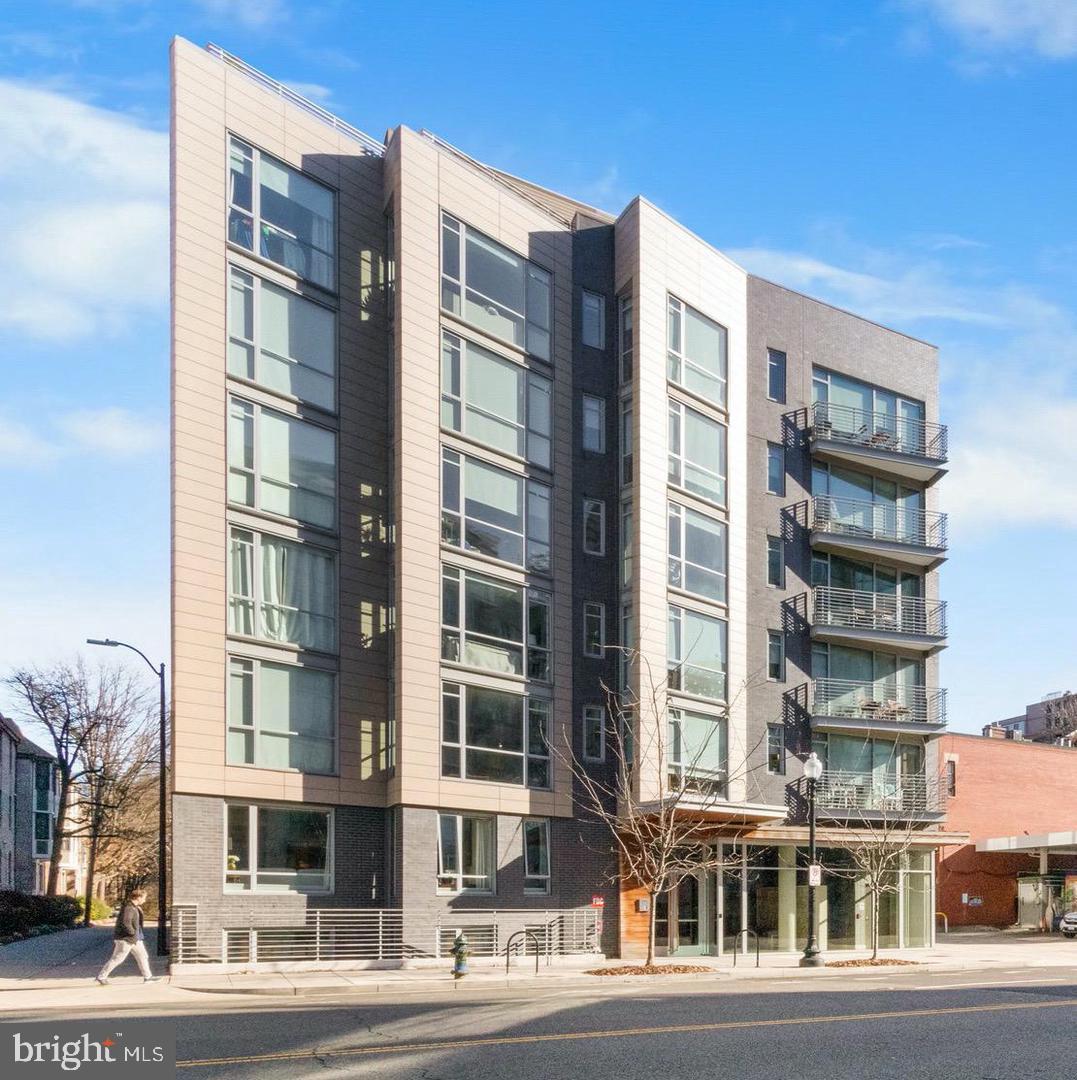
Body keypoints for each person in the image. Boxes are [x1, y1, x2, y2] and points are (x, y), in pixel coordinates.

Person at [95, 889, 160, 984]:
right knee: (117, 958)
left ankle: (148, 977)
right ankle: (101, 977)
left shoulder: (133, 907)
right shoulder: (129, 908)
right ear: (138, 897)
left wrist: (135, 935)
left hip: (134, 939)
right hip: (126, 939)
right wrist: (133, 933)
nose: (144, 900)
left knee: (143, 956)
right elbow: (126, 923)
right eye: (144, 898)